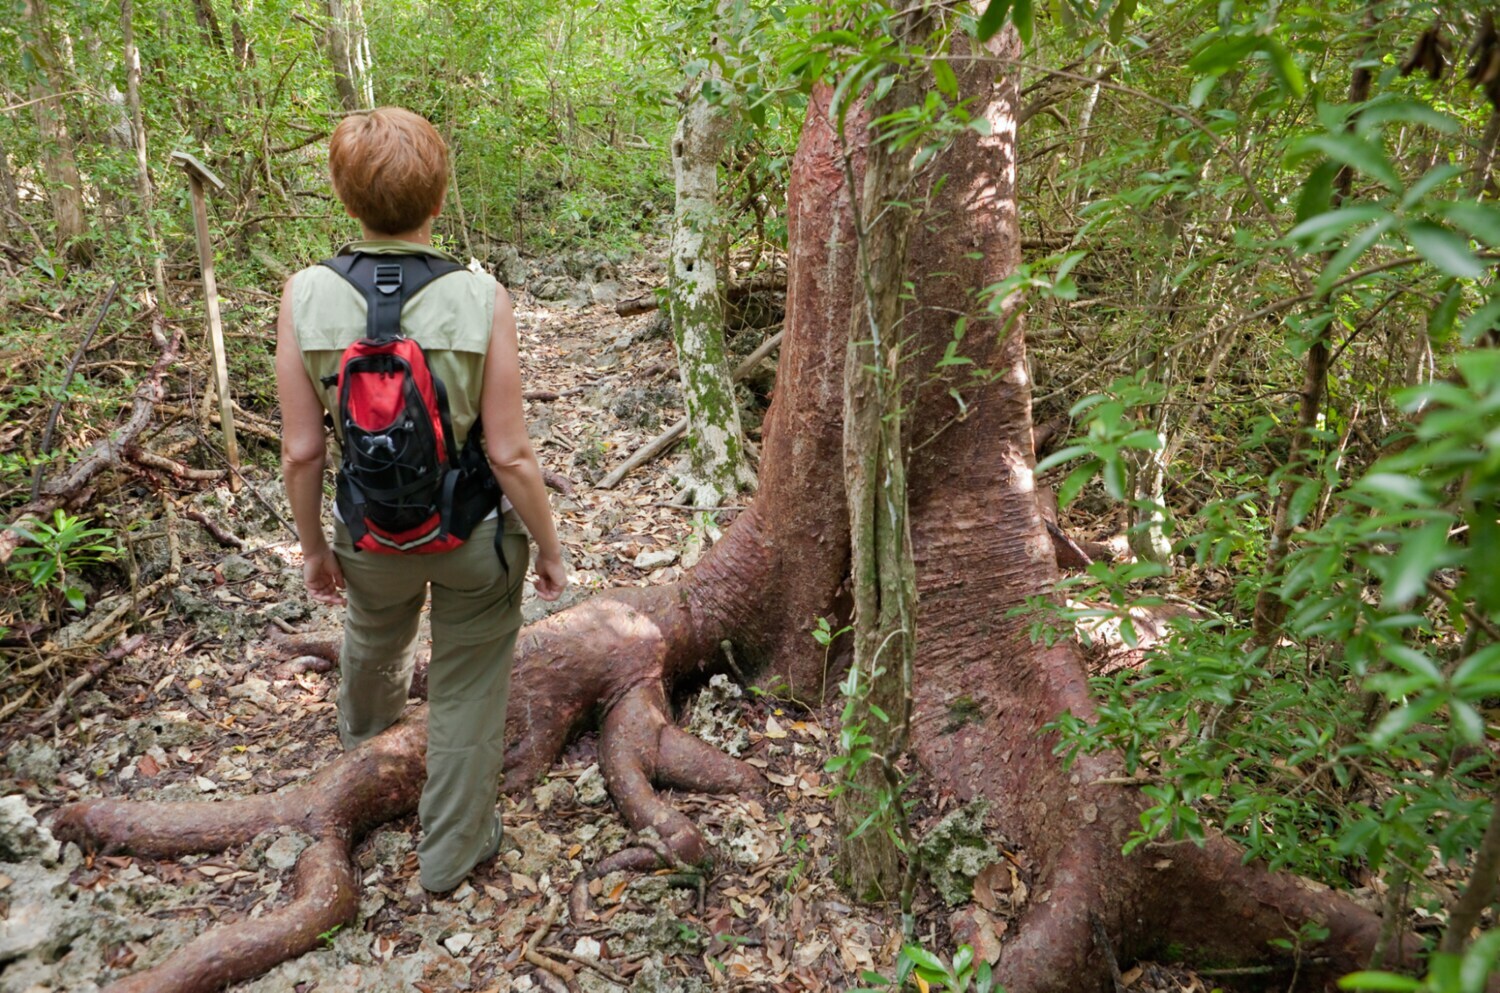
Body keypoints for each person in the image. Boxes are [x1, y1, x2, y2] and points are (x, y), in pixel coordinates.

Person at [274, 106, 568, 894]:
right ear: (438, 198)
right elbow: (508, 452)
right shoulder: (482, 298)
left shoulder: (304, 295)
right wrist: (548, 547)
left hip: (368, 534)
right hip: (472, 538)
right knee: (470, 683)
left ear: (345, 200)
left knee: (373, 633)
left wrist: (312, 549)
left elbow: (303, 450)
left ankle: (364, 764)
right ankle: (451, 853)